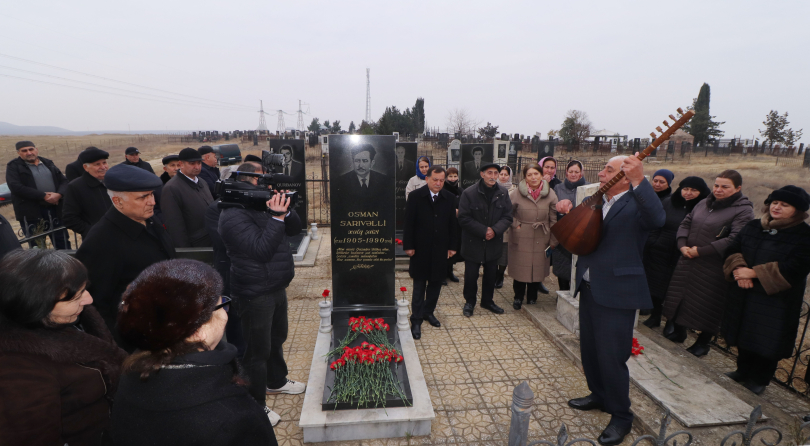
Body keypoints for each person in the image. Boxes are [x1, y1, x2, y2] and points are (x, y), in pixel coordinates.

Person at [111, 259, 278, 444]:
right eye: (221, 304)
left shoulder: (132, 373)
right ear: (198, 331)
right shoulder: (234, 418)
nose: (225, 312)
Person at [567, 155, 665, 446]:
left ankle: (621, 415)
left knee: (612, 356)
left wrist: (639, 180)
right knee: (591, 349)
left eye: (608, 169)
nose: (601, 174)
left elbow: (657, 219)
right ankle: (599, 395)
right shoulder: (599, 200)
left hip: (618, 292)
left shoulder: (636, 202)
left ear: (624, 176)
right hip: (590, 286)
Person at [0, 250, 127, 446]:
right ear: (36, 305)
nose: (89, 300)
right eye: (75, 298)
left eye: (85, 289)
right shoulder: (18, 369)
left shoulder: (72, 319)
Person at [219, 169, 306, 421]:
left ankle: (276, 380)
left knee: (277, 337)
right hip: (254, 292)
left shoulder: (261, 205)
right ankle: (255, 404)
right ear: (246, 187)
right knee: (257, 352)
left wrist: (286, 211)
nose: (267, 189)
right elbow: (261, 250)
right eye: (261, 184)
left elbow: (294, 230)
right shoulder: (232, 216)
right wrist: (277, 216)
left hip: (275, 285)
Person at [721, 186, 810, 395]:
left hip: (777, 298)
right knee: (744, 331)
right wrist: (739, 270)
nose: (776, 207)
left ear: (797, 210)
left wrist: (754, 273)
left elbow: (797, 266)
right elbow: (733, 249)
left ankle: (760, 378)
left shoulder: (804, 235)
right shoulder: (753, 226)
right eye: (774, 203)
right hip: (745, 290)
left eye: (784, 205)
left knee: (767, 337)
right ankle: (742, 370)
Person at [75, 164, 175, 342]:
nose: (152, 201)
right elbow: (97, 304)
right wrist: (120, 352)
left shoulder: (150, 221)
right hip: (136, 339)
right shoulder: (102, 240)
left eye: (151, 194)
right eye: (143, 197)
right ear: (117, 201)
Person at [662, 170, 754, 357]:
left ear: (738, 188)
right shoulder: (704, 203)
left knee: (708, 303)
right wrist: (682, 245)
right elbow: (685, 224)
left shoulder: (743, 210)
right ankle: (680, 331)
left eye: (725, 187)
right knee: (680, 297)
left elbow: (736, 238)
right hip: (687, 259)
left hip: (713, 265)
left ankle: (703, 342)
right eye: (716, 185)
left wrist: (701, 251)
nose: (718, 190)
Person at [204, 161, 264, 359]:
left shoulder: (255, 203)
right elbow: (226, 243)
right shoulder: (216, 209)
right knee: (236, 324)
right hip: (231, 272)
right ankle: (238, 366)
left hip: (254, 274)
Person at [642, 177, 710, 328]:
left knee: (675, 290)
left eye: (694, 190)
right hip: (660, 250)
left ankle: (672, 322)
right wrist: (653, 242)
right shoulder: (670, 202)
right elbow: (656, 222)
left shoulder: (703, 207)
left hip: (683, 253)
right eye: (686, 189)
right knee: (656, 285)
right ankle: (655, 315)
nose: (688, 193)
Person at [403, 166, 459, 339]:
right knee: (419, 285)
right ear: (427, 179)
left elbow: (453, 225)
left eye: (442, 180)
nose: (438, 183)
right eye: (435, 179)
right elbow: (409, 223)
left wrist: (452, 246)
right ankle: (417, 319)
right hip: (420, 249)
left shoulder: (449, 198)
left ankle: (429, 312)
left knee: (435, 283)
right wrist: (409, 246)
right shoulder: (415, 197)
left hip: (440, 249)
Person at [457, 162, 513, 317]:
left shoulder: (503, 192)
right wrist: (484, 230)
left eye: (496, 173)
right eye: (490, 173)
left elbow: (508, 216)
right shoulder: (469, 193)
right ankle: (470, 302)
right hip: (473, 242)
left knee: (490, 275)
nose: (493, 176)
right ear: (482, 174)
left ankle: (487, 301)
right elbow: (463, 218)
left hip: (493, 242)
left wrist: (494, 230)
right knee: (471, 275)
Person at [508, 164, 558, 309]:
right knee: (520, 268)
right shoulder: (516, 193)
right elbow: (507, 213)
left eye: (536, 174)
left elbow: (554, 218)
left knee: (537, 268)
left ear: (541, 175)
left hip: (542, 235)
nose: (533, 177)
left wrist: (553, 239)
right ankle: (518, 297)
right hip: (522, 234)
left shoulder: (550, 193)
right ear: (525, 177)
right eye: (529, 175)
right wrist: (516, 225)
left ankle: (532, 296)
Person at [5, 140, 71, 249]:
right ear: (18, 153)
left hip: (55, 210)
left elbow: (64, 181)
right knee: (38, 245)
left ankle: (66, 265)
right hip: (31, 213)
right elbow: (16, 187)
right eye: (24, 150)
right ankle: (42, 266)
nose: (29, 152)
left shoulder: (48, 162)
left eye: (31, 149)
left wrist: (58, 195)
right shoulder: (14, 166)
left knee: (62, 241)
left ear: (36, 150)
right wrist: (43, 196)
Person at [161, 147, 214, 247]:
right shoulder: (172, 188)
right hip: (195, 246)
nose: (197, 167)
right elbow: (175, 226)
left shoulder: (202, 182)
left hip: (210, 240)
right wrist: (185, 253)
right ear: (181, 164)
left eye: (199, 163)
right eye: (192, 163)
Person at [62, 147, 112, 238]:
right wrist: (93, 231)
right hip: (97, 240)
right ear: (86, 167)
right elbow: (70, 218)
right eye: (97, 164)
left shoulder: (114, 182)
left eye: (104, 162)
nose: (103, 167)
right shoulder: (76, 187)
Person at [552, 160, 586, 291]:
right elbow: (553, 208)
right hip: (563, 232)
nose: (573, 174)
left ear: (581, 173)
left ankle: (576, 292)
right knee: (563, 265)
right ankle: (563, 292)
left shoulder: (588, 187)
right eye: (570, 171)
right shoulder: (558, 188)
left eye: (576, 172)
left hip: (580, 233)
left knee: (578, 266)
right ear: (566, 173)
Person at [334, 143, 393, 210]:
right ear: (353, 162)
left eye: (365, 161)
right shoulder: (341, 182)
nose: (361, 165)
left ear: (372, 163)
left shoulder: (385, 181)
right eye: (357, 161)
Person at [495, 166, 516, 289]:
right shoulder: (493, 188)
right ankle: (492, 275)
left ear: (510, 176)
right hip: (494, 226)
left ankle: (500, 275)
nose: (503, 177)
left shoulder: (515, 191)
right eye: (501, 174)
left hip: (507, 228)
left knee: (503, 254)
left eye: (506, 174)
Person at [443, 167, 463, 283]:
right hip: (445, 224)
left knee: (454, 247)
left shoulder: (461, 191)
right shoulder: (443, 189)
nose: (453, 178)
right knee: (445, 248)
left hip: (457, 224)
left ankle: (450, 271)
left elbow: (466, 205)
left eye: (455, 176)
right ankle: (442, 273)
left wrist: (460, 211)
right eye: (450, 176)